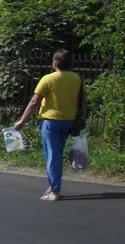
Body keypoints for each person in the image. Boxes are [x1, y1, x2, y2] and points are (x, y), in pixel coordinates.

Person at [13, 48, 86, 201]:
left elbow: (34, 102)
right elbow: (82, 100)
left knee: (52, 155)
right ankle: (52, 185)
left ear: (56, 62)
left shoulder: (49, 79)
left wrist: (22, 120)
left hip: (50, 121)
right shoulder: (77, 78)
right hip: (68, 121)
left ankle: (54, 190)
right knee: (56, 154)